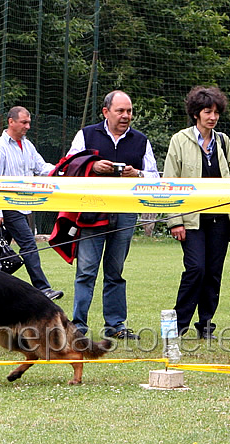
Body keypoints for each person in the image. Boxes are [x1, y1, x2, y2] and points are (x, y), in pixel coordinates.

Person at [65, 90, 159, 340]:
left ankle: (116, 325)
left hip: (126, 212)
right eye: (120, 111)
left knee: (115, 271)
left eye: (129, 111)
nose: (126, 115)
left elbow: (155, 177)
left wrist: (137, 174)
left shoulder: (141, 140)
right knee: (86, 271)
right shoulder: (86, 135)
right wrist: (92, 166)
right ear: (106, 112)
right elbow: (68, 166)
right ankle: (78, 327)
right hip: (92, 211)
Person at [163, 86, 230, 339]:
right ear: (196, 113)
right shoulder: (179, 140)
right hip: (190, 220)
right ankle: (176, 326)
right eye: (207, 111)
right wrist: (174, 222)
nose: (212, 117)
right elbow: (170, 182)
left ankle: (206, 325)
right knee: (195, 269)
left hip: (221, 221)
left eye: (216, 112)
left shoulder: (223, 141)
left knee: (213, 273)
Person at [0, 106, 63, 300]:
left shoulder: (28, 146)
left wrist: (64, 169)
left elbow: (41, 167)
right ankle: (43, 288)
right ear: (11, 122)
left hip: (25, 205)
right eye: (24, 122)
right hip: (9, 206)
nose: (27, 126)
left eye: (29, 123)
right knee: (29, 244)